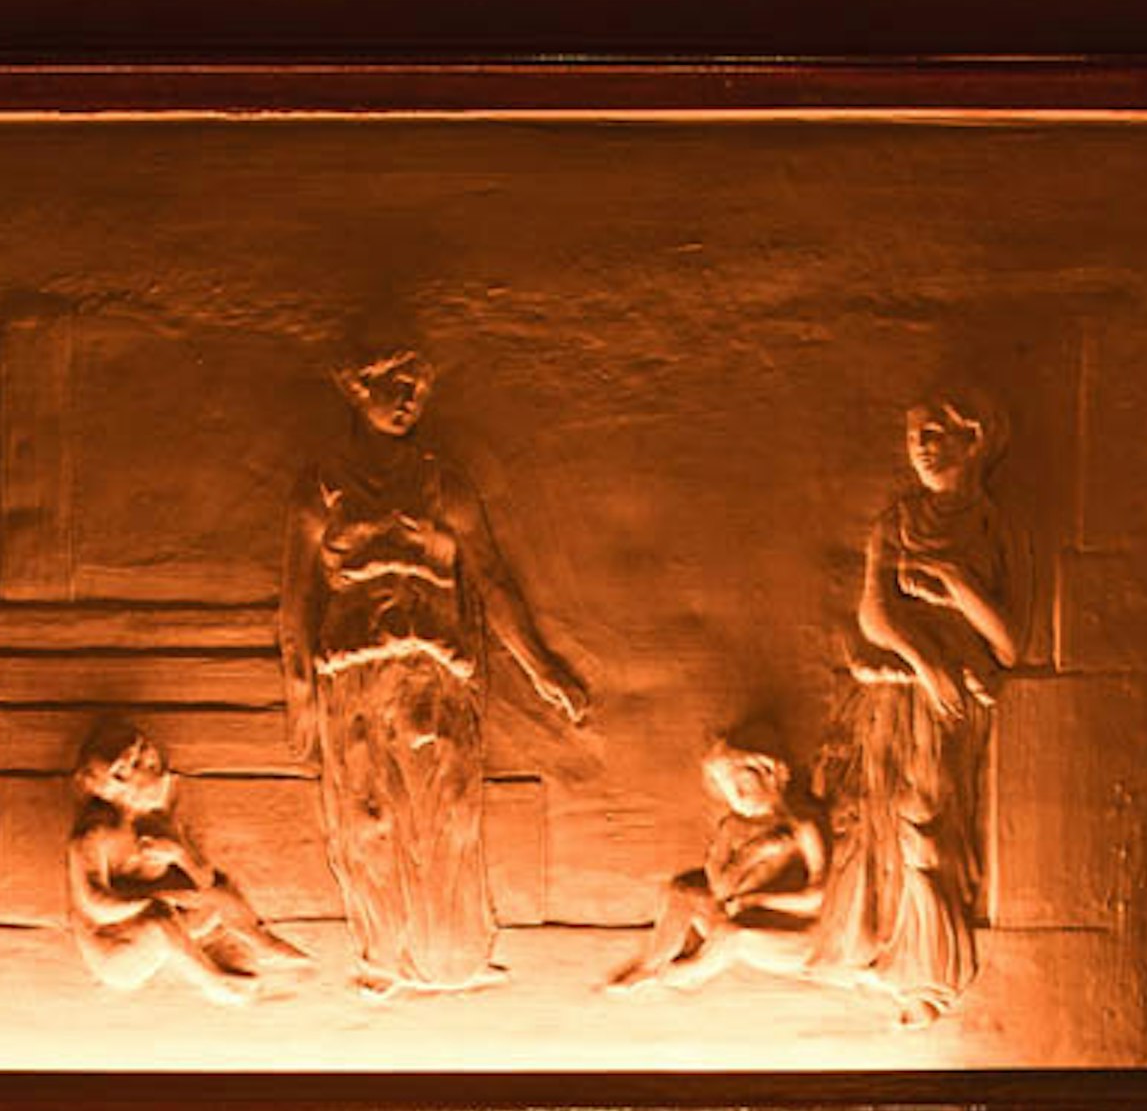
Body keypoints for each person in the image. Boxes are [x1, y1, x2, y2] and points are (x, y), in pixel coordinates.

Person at [278, 348, 593, 993]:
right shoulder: (320, 487)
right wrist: (301, 695)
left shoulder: (445, 484)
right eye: (395, 384)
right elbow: (295, 603)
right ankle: (381, 959)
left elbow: (493, 580)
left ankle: (452, 958)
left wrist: (542, 669)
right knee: (369, 823)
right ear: (356, 389)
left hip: (434, 674)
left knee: (447, 814)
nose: (408, 399)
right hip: (353, 677)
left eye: (417, 388)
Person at [806, 396, 1015, 1021]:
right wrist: (925, 663)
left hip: (953, 706)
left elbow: (1008, 639)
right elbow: (875, 614)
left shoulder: (995, 527)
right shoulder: (894, 523)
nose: (920, 447)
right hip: (903, 688)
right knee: (884, 817)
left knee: (926, 819)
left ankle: (933, 975)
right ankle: (888, 955)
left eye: (935, 434)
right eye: (913, 437)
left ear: (972, 440)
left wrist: (952, 581)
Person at [65, 719, 309, 1001]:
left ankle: (261, 942)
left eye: (145, 745)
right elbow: (94, 904)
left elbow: (205, 879)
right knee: (158, 919)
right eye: (139, 758)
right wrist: (150, 901)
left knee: (219, 893)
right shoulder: (95, 835)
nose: (153, 755)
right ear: (120, 778)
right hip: (115, 951)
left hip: (169, 928)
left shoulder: (157, 821)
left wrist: (178, 854)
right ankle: (212, 981)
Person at [604, 736, 829, 993]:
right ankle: (650, 966)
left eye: (743, 782)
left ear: (770, 775)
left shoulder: (803, 828)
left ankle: (687, 972)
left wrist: (760, 901)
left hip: (793, 934)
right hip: (739, 910)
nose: (738, 795)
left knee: (732, 935)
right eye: (729, 788)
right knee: (682, 891)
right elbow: (720, 887)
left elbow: (819, 898)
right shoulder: (732, 828)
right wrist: (755, 853)